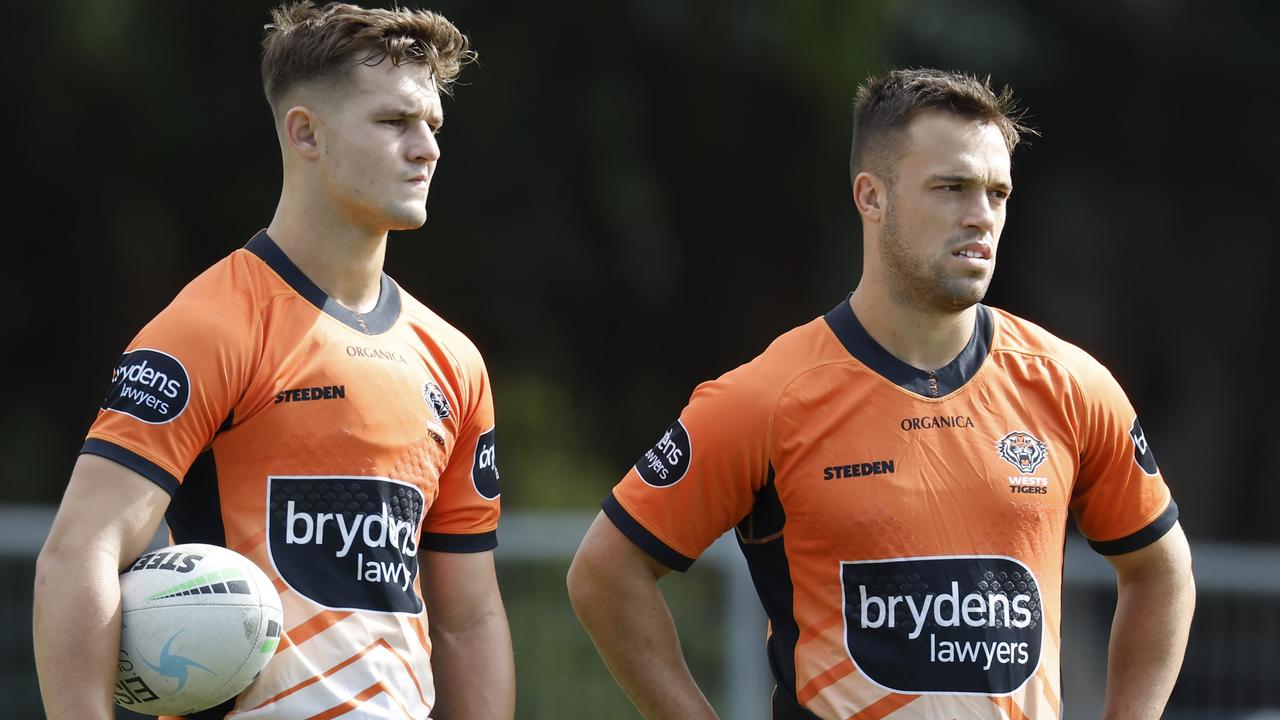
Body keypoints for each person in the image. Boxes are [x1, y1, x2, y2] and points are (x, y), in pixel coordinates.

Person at [568, 68, 1195, 719]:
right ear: (872, 196)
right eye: (951, 187)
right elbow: (606, 573)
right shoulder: (767, 397)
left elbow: (1162, 572)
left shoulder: (1071, 386)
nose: (981, 215)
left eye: (997, 192)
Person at [33, 3, 514, 719]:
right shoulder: (210, 327)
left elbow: (467, 618)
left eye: (432, 126)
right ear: (305, 132)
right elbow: (79, 556)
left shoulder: (453, 361)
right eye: (393, 123)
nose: (427, 148)